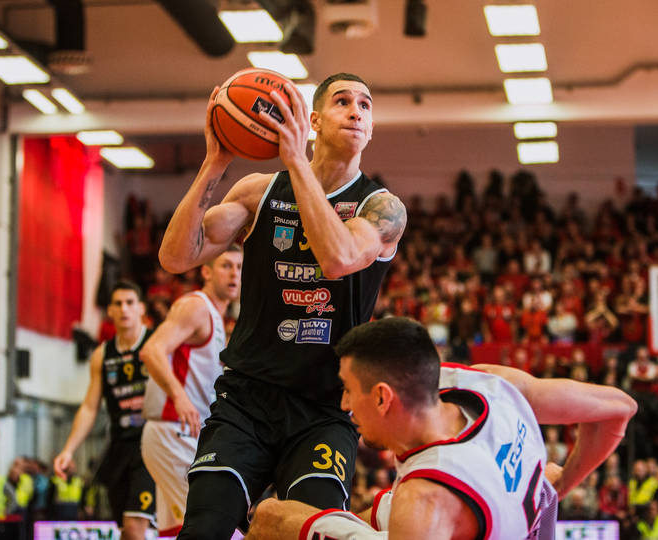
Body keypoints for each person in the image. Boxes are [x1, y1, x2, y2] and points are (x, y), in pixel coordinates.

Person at [158, 72, 406, 539]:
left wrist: (295, 161)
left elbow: (338, 259)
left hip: (324, 407)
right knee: (205, 527)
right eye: (342, 101)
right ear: (314, 120)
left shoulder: (382, 208)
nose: (356, 111)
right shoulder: (259, 191)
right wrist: (214, 164)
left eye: (365, 105)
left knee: (311, 531)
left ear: (371, 128)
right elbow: (176, 257)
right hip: (246, 399)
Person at [245, 318, 636, 540]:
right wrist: (564, 480)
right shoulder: (486, 383)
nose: (344, 404)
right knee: (368, 513)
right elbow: (620, 408)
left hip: (442, 520)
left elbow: (422, 511)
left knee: (271, 518)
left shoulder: (424, 502)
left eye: (348, 389)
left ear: (382, 397)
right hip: (518, 516)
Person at [139, 247, 242, 537]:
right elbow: (152, 350)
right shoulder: (196, 307)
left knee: (175, 530)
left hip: (185, 433)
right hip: (173, 430)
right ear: (206, 272)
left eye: (239, 267)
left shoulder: (220, 319)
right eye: (226, 265)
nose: (234, 274)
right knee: (213, 522)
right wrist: (179, 396)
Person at [53, 281, 156, 539]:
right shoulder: (102, 355)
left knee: (135, 526)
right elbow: (90, 407)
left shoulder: (156, 343)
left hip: (152, 445)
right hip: (119, 446)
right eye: (118, 304)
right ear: (109, 310)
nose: (124, 309)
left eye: (130, 303)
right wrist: (68, 450)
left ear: (141, 308)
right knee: (124, 531)